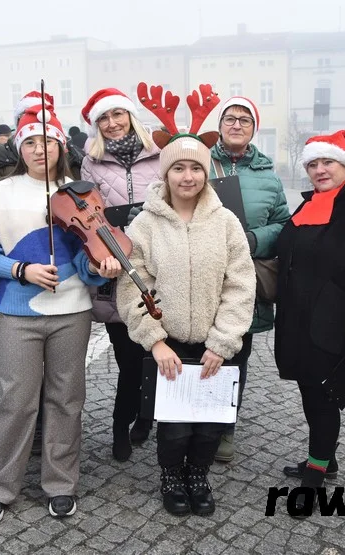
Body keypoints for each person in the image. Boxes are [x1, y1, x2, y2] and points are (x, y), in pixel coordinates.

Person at [0, 104, 121, 524]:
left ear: (60, 145)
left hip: (72, 312)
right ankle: (0, 486)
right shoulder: (1, 192)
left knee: (66, 399)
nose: (40, 149)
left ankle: (60, 483)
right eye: (31, 142)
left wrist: (98, 267)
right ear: (21, 148)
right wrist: (21, 270)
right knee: (15, 402)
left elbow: (92, 255)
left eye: (48, 141)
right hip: (18, 313)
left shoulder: (82, 191)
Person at [117, 92, 256, 516]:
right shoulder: (145, 223)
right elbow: (132, 284)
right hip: (171, 344)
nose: (188, 175)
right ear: (166, 173)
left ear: (206, 172)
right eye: (179, 167)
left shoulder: (226, 221)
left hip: (215, 346)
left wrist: (224, 340)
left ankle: (198, 475)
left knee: (210, 425)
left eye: (196, 167)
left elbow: (241, 284)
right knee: (174, 427)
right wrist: (155, 341)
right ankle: (171, 476)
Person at [275, 130, 345, 517]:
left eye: (327, 163)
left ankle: (316, 477)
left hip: (334, 320)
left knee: (322, 399)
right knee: (309, 392)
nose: (320, 170)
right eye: (313, 164)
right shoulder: (310, 204)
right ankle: (324, 458)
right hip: (299, 318)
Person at [79, 87, 161, 461]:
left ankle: (146, 417)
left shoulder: (158, 155)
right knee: (129, 358)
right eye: (104, 119)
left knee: (157, 352)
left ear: (131, 117)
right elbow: (89, 216)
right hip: (116, 271)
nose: (112, 124)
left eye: (118, 115)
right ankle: (120, 425)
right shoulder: (91, 163)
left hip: (158, 268)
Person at [209, 96, 290, 462]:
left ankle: (226, 426)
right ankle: (192, 422)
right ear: (221, 124)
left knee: (236, 355)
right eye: (230, 118)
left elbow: (284, 224)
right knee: (197, 349)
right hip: (204, 274)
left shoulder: (269, 177)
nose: (237, 124)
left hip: (246, 277)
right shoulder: (201, 162)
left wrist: (257, 240)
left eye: (245, 119)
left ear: (254, 128)